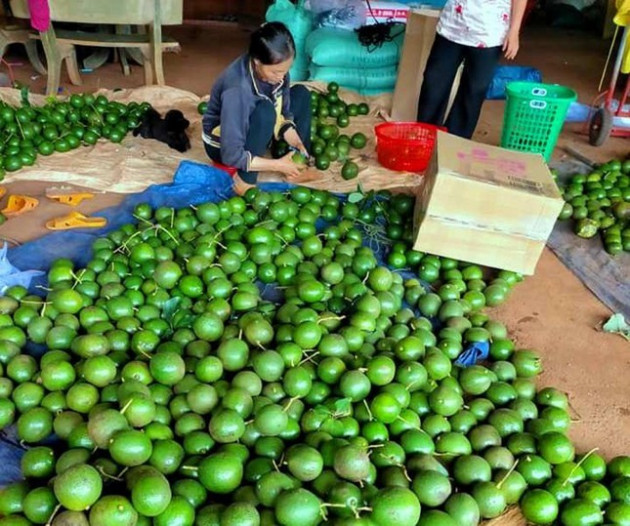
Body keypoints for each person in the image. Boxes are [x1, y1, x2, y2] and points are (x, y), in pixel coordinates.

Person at [202, 21, 312, 194]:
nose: (281, 76)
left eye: (286, 69)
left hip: (258, 125)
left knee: (302, 93)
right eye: (276, 72)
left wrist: (296, 140)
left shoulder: (278, 70)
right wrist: (277, 166)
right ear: (257, 61)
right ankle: (245, 179)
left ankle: (297, 165)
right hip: (223, 144)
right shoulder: (237, 90)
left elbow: (282, 111)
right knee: (265, 111)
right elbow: (230, 154)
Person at [417, 0, 527, 139]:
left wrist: (514, 31)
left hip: (490, 32)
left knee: (473, 92)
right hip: (452, 25)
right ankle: (424, 137)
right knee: (433, 83)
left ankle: (454, 143)